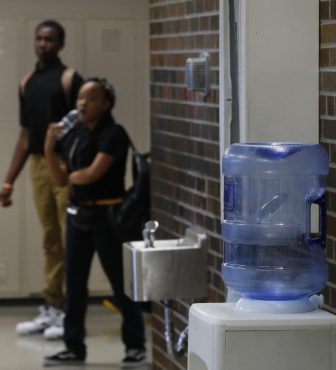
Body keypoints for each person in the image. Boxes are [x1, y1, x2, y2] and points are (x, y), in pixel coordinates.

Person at [43, 78, 146, 367]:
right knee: (74, 284)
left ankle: (135, 345)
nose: (82, 104)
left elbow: (91, 174)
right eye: (80, 98)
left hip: (108, 217)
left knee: (120, 284)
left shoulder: (114, 133)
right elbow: (61, 178)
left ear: (106, 103)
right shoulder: (76, 135)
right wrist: (49, 147)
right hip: (78, 215)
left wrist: (74, 177)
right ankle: (73, 346)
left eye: (90, 98)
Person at [0, 19, 83, 339]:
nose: (43, 44)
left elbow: (85, 125)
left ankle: (71, 314)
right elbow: (25, 135)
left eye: (50, 39)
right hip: (37, 164)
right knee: (50, 238)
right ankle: (53, 307)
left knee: (70, 238)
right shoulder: (28, 82)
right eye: (39, 39)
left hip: (64, 164)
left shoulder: (69, 79)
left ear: (60, 44)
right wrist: (8, 181)